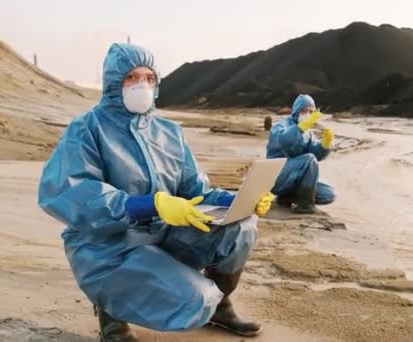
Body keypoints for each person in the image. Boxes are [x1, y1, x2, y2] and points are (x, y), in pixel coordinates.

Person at [38, 43, 273, 341]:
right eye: (132, 78)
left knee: (241, 227)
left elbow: (196, 190)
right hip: (109, 247)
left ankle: (221, 308)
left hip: (164, 235)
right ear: (113, 82)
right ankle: (112, 314)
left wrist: (238, 200)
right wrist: (148, 205)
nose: (142, 85)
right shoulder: (87, 128)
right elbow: (69, 192)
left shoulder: (170, 133)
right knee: (196, 299)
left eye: (149, 78)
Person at [266, 94, 337, 214]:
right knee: (309, 159)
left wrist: (325, 144)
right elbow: (286, 141)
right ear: (296, 111)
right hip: (277, 176)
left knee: (329, 194)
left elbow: (316, 154)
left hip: (295, 179)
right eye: (304, 110)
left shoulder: (308, 133)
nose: (308, 114)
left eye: (311, 111)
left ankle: (287, 197)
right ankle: (305, 206)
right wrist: (300, 128)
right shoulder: (281, 126)